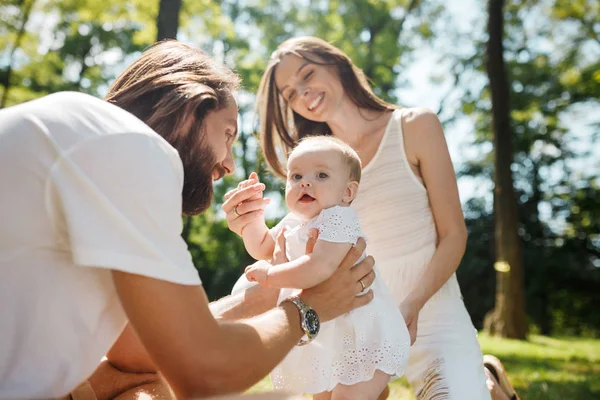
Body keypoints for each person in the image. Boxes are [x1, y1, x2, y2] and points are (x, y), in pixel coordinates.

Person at [0, 40, 377, 400]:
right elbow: (204, 374)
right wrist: (309, 309)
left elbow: (137, 352)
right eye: (228, 133)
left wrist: (254, 300)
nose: (229, 164)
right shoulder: (130, 147)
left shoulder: (88, 135)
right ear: (190, 106)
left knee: (139, 382)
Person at [226, 36, 520, 400]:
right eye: (289, 93)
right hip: (354, 322)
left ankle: (486, 384)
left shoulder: (415, 126)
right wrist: (249, 224)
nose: (303, 93)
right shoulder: (316, 163)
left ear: (337, 64)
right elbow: (296, 247)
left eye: (307, 75)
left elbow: (454, 235)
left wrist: (411, 305)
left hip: (430, 314)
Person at [235, 136, 410, 399]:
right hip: (326, 331)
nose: (305, 182)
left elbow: (319, 267)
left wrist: (271, 275)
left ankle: (371, 389)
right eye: (296, 176)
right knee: (322, 394)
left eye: (321, 175)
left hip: (362, 332)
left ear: (347, 192)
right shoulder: (292, 220)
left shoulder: (339, 218)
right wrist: (252, 219)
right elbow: (262, 246)